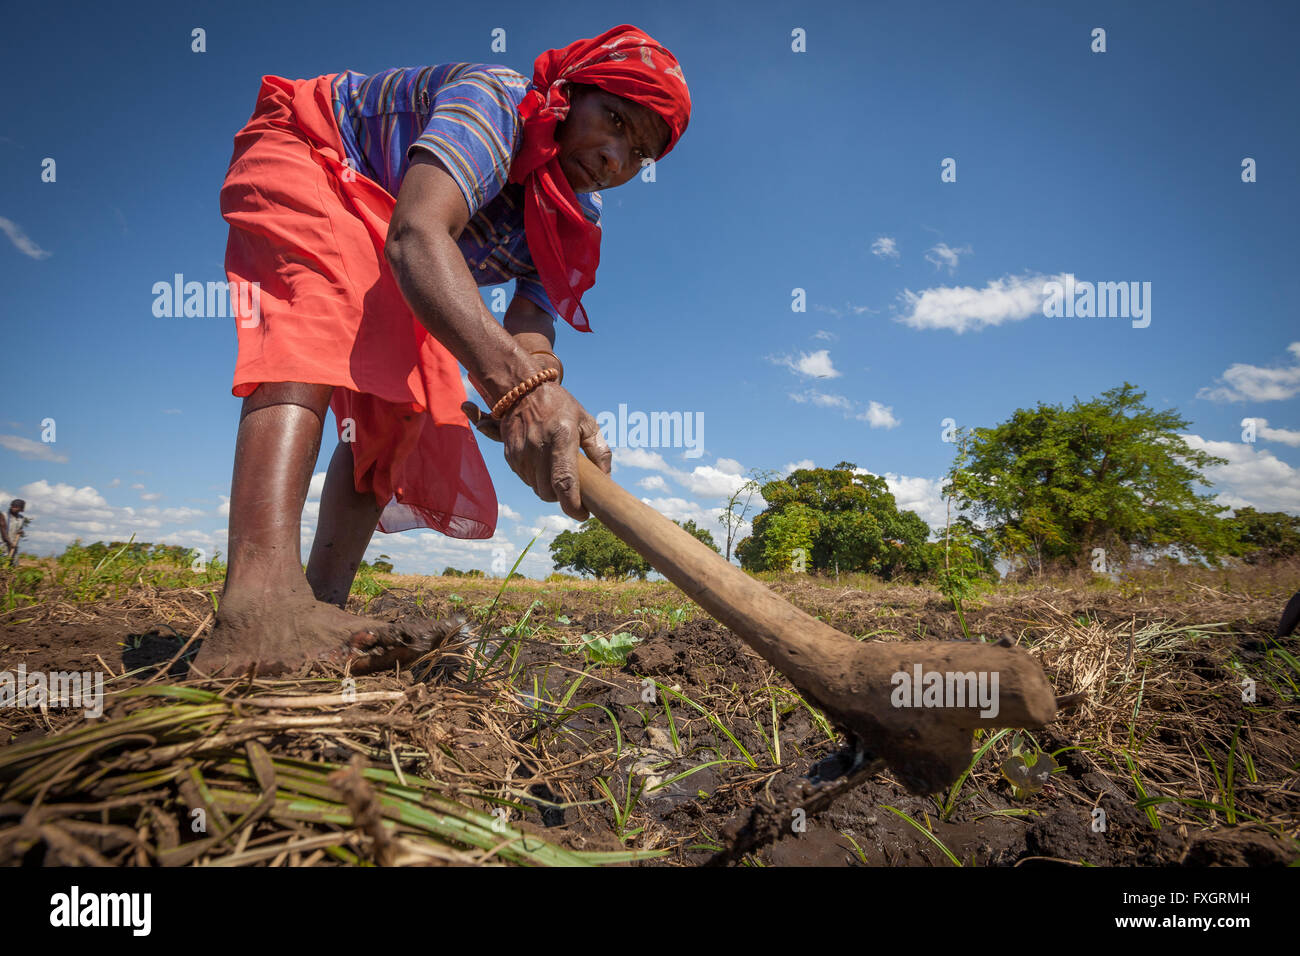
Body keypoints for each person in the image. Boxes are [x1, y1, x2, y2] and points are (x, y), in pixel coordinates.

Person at [193, 25, 691, 677]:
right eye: (615, 120)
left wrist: (542, 393)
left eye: (639, 154)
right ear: (570, 93)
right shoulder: (496, 106)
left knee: (400, 403)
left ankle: (314, 607)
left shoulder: (576, 216)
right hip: (314, 151)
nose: (616, 158)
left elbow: (530, 332)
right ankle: (257, 606)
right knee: (313, 326)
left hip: (390, 234)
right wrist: (517, 388)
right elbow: (418, 236)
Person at [1, 499, 29, 567]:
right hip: (2, 545)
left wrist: (21, 532)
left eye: (16, 507)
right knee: (2, 563)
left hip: (13, 545)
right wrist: (10, 543)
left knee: (14, 565)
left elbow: (19, 530)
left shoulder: (21, 518)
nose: (13, 508)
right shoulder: (3, 515)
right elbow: (3, 531)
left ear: (21, 509)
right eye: (13, 506)